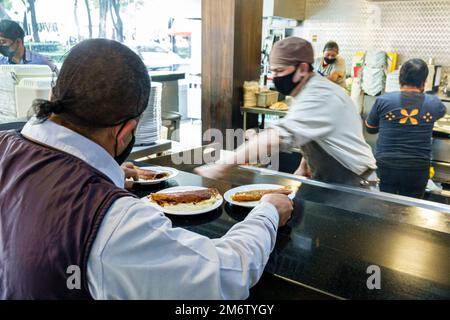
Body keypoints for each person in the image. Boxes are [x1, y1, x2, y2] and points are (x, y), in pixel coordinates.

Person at [0, 39, 293, 299]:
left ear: (55, 94)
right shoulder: (114, 223)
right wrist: (267, 212)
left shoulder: (5, 143)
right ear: (127, 130)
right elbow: (223, 275)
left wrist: (107, 176)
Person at [197, 37, 376, 187]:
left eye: (279, 71)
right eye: (273, 71)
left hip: (354, 183)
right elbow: (313, 131)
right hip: (332, 180)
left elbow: (276, 137)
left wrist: (223, 166)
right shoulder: (308, 89)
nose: (275, 77)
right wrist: (304, 166)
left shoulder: (320, 95)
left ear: (303, 69)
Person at [365, 58, 446, 198]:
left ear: (400, 79)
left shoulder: (383, 100)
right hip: (417, 167)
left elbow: (370, 128)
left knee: (386, 202)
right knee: (412, 208)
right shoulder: (434, 103)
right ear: (424, 82)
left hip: (386, 164)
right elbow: (438, 113)